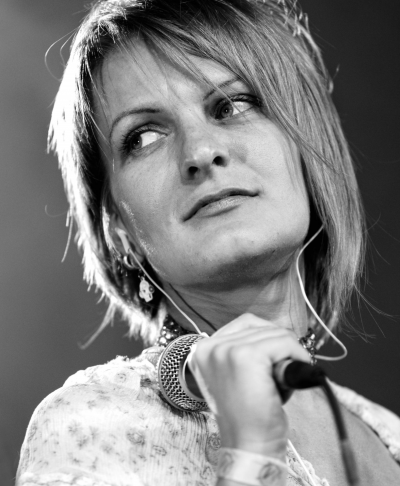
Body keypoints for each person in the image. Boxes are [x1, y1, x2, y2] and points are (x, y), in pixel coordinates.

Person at [16, 0, 400, 485]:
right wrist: (250, 454)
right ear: (118, 229)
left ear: (308, 145)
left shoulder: (389, 433)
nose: (200, 151)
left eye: (232, 105)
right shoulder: (90, 426)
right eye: (143, 137)